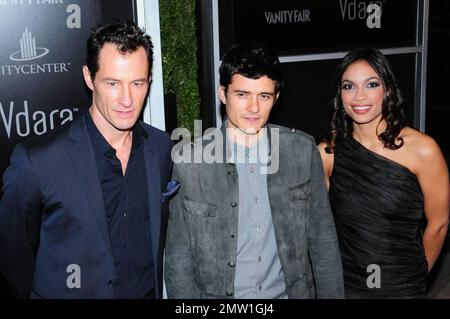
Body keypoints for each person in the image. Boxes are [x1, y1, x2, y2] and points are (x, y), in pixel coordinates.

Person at [0, 20, 173, 299]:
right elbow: (12, 258)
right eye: (113, 83)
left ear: (149, 81)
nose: (127, 99)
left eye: (137, 83)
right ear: (89, 78)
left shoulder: (161, 148)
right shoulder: (37, 162)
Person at [165, 41, 344, 299]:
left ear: (276, 97)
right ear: (222, 93)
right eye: (242, 95)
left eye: (264, 96)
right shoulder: (190, 161)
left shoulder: (301, 152)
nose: (253, 108)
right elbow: (178, 259)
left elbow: (323, 241)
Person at [319, 48, 450, 298]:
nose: (359, 96)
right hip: (347, 285)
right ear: (339, 94)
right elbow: (321, 229)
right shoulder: (328, 154)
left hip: (402, 284)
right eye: (348, 86)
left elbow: (439, 223)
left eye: (371, 84)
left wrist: (416, 274)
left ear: (387, 89)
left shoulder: (422, 150)